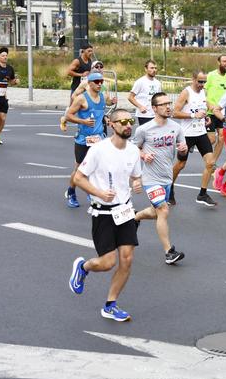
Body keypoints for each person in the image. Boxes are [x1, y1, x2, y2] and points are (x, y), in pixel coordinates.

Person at [68, 108, 143, 322]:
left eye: (131, 120)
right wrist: (100, 193)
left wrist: (137, 183)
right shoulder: (98, 150)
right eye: (123, 121)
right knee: (107, 263)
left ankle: (110, 305)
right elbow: (78, 178)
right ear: (111, 124)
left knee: (127, 260)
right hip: (103, 213)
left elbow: (135, 177)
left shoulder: (133, 151)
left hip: (125, 210)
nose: (128, 124)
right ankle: (83, 267)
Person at [133, 92, 186, 265]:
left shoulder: (176, 127)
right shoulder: (144, 129)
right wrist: (143, 155)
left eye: (168, 103)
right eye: (163, 104)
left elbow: (181, 152)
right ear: (154, 108)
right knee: (163, 210)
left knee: (155, 212)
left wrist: (183, 149)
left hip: (167, 177)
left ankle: (134, 218)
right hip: (150, 178)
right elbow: (133, 149)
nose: (168, 106)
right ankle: (169, 252)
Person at [64, 71, 116, 208]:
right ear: (89, 83)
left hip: (99, 139)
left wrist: (107, 120)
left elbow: (101, 114)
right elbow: (68, 115)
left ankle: (91, 191)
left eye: (101, 82)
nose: (100, 84)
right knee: (79, 169)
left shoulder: (103, 98)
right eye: (97, 82)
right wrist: (83, 121)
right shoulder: (82, 98)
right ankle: (71, 192)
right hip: (83, 139)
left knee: (97, 168)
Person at [170, 70, 218, 207]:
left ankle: (202, 194)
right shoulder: (186, 92)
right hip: (186, 134)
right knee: (180, 164)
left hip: (201, 133)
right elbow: (175, 112)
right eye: (200, 81)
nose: (202, 84)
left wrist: (206, 117)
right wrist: (193, 116)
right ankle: (170, 188)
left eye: (204, 82)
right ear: (193, 79)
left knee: (210, 163)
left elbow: (201, 109)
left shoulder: (203, 92)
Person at [205, 55, 226, 165]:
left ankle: (212, 162)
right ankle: (194, 141)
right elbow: (204, 92)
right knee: (212, 140)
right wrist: (208, 104)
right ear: (218, 62)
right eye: (224, 61)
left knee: (222, 138)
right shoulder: (211, 75)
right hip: (210, 112)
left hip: (221, 113)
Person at [61, 43, 94, 131]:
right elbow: (69, 72)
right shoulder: (77, 61)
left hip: (86, 88)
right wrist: (81, 74)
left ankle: (85, 124)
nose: (91, 53)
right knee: (72, 106)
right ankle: (64, 120)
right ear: (83, 51)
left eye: (91, 51)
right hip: (76, 87)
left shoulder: (90, 60)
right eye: (89, 51)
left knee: (86, 106)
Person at [129, 60, 161, 126]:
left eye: (155, 68)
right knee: (146, 135)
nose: (154, 70)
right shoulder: (140, 82)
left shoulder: (158, 83)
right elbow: (130, 97)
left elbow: (159, 98)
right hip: (144, 115)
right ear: (146, 69)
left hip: (155, 114)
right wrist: (140, 106)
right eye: (151, 68)